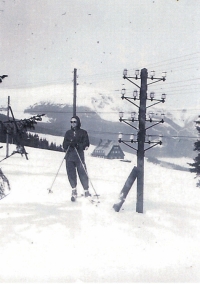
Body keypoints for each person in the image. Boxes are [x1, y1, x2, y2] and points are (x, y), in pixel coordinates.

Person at [63, 115, 91, 201]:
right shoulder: (68, 133)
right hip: (70, 156)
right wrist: (69, 144)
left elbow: (86, 144)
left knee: (82, 173)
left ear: (78, 122)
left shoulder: (83, 132)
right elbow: (64, 145)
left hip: (79, 156)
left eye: (74, 122)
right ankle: (74, 190)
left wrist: (78, 145)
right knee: (71, 173)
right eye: (71, 122)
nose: (73, 123)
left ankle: (86, 191)